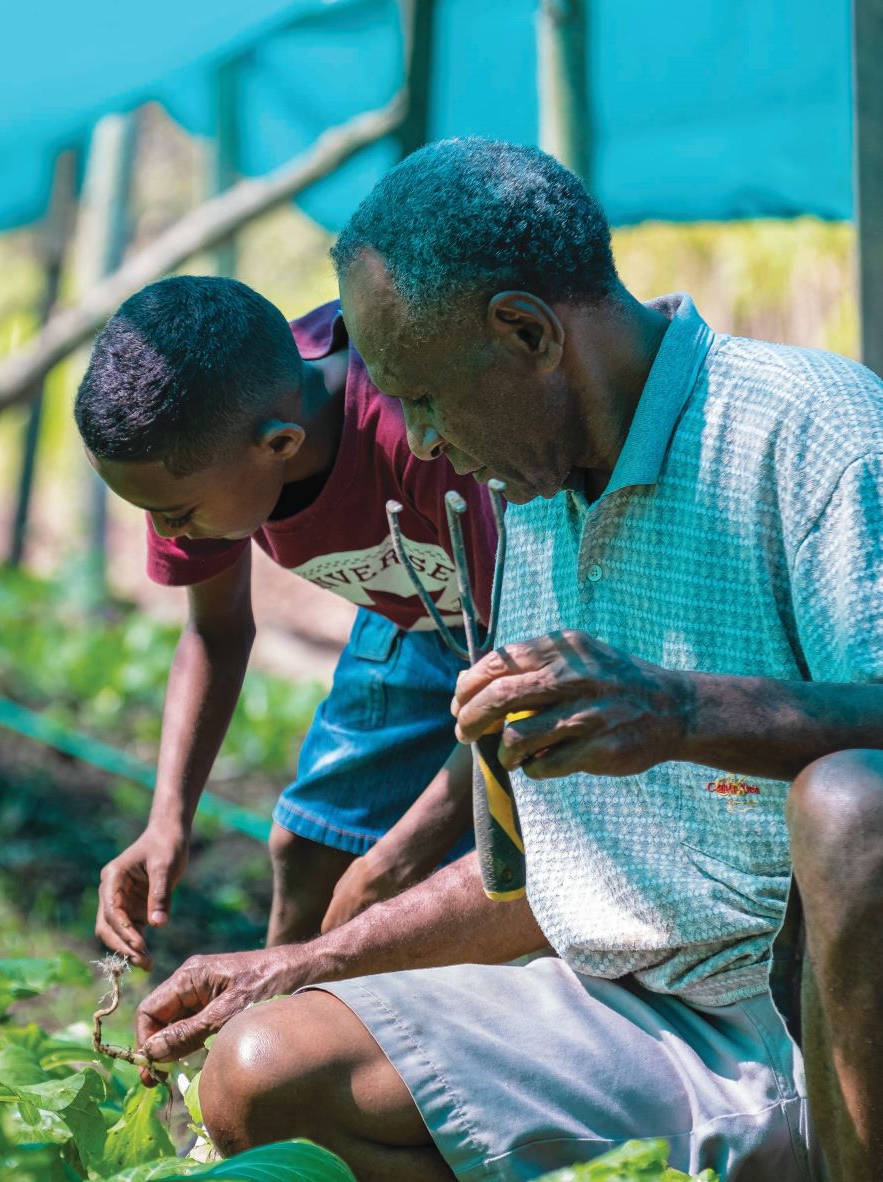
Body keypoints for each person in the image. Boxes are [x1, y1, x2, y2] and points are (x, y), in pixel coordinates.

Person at [127, 138, 883, 1182]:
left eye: (427, 399)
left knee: (853, 805)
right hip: (641, 1023)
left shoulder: (810, 428)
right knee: (264, 1071)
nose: (424, 442)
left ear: (528, 333)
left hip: (835, 1028)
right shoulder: (527, 507)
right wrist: (301, 963)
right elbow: (527, 882)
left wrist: (678, 709)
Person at [74, 275, 494, 962]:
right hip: (416, 619)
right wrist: (167, 821)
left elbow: (522, 675)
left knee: (467, 880)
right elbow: (214, 631)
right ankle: (268, 1041)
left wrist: (395, 861)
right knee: (310, 847)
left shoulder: (423, 439)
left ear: (279, 444)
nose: (165, 531)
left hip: (548, 632)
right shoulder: (203, 435)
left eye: (175, 514)